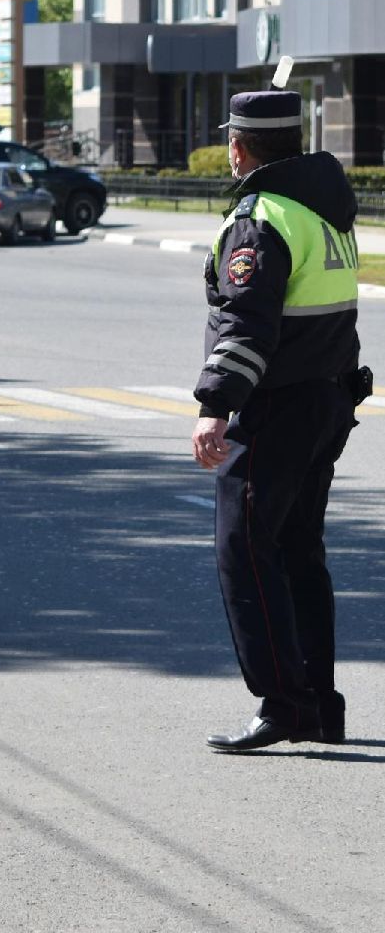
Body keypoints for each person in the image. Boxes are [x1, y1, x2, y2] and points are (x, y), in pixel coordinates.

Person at [191, 89, 367, 753]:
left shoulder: (259, 217)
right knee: (297, 553)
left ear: (237, 148)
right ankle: (317, 702)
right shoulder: (324, 210)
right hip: (326, 399)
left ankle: (284, 702)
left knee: (245, 550)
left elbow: (246, 324)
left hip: (277, 406)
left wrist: (213, 408)